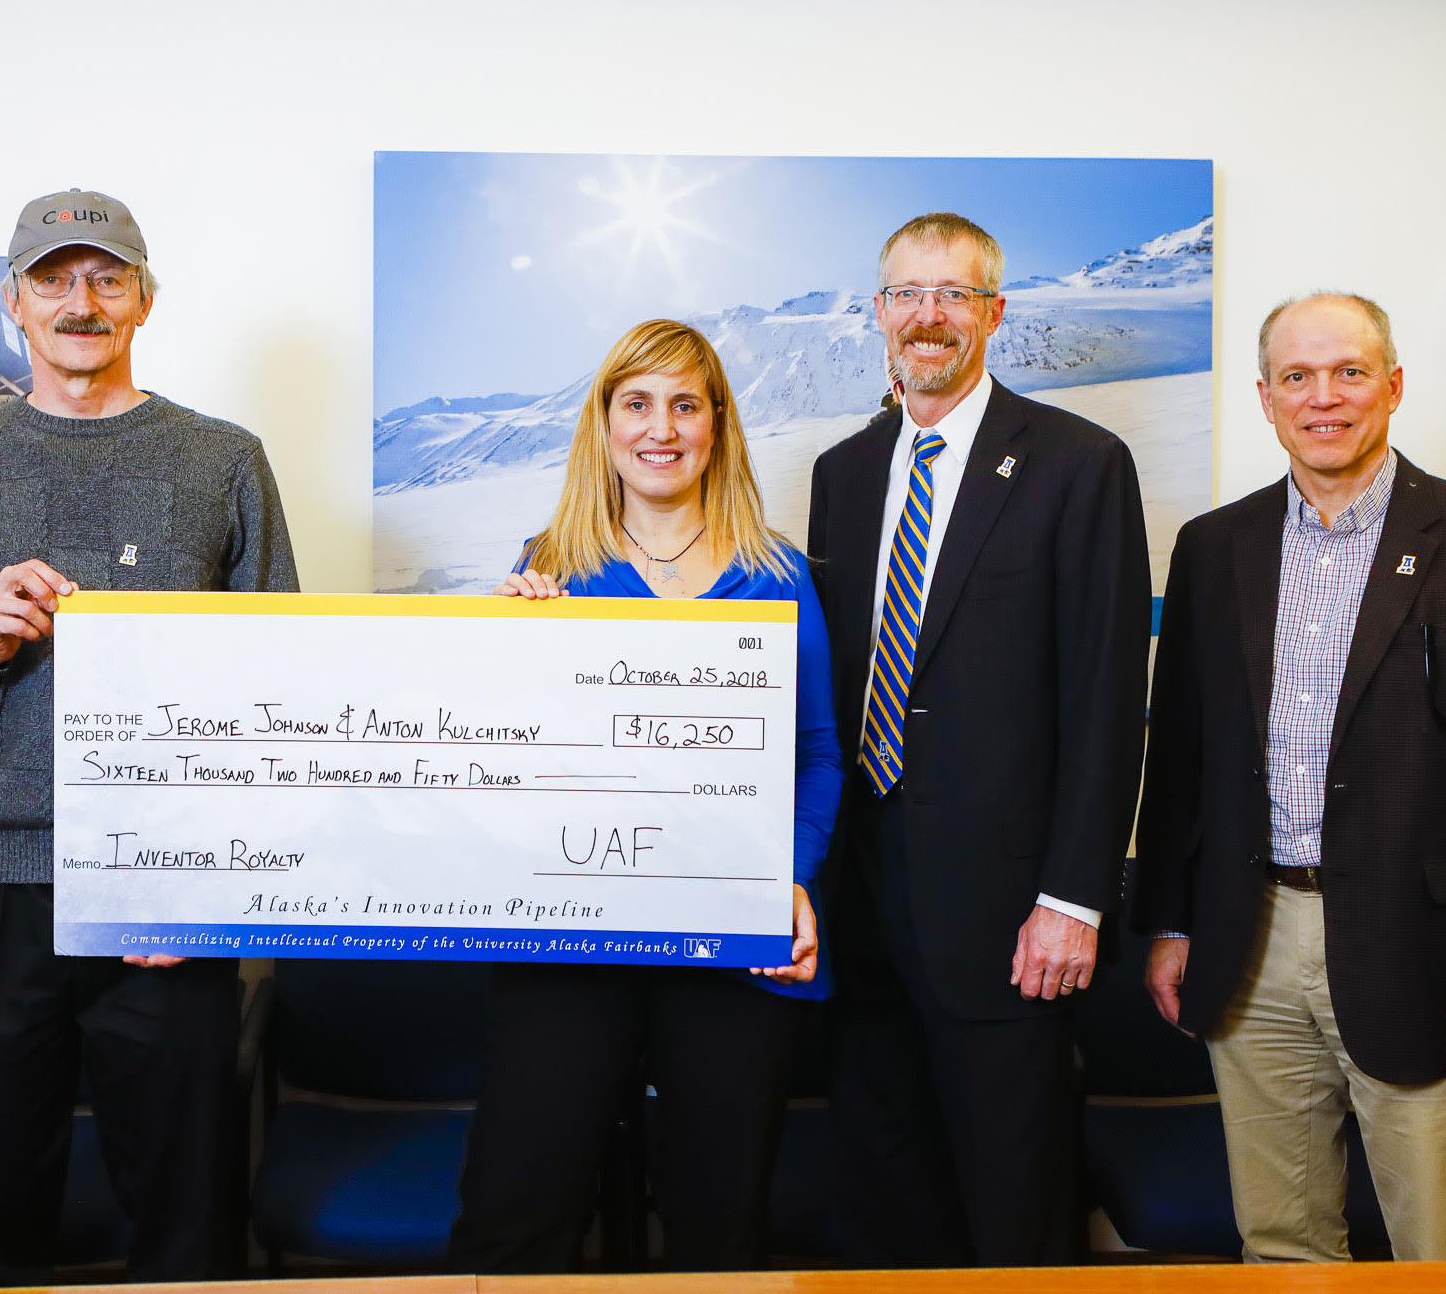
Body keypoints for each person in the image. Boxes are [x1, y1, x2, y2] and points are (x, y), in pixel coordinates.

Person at [0, 187, 299, 1286]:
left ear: (145, 299)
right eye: (53, 278)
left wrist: (212, 883)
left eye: (106, 277)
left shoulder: (225, 457)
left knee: (190, 1212)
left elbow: (284, 689)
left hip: (169, 892)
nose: (81, 300)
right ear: (13, 301)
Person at [1133, 292, 1446, 1262]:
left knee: (1440, 1251)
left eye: (1348, 371)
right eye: (1297, 376)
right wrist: (1173, 921)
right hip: (1247, 942)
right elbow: (1179, 758)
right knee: (1281, 1239)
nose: (1324, 397)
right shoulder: (1215, 549)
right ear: (1266, 397)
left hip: (1422, 953)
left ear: (1393, 385)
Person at [443, 318, 842, 1274]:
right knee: (517, 1213)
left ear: (716, 427)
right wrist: (497, 656)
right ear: (604, 424)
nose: (660, 428)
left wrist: (789, 878)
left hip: (729, 934)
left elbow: (820, 752)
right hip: (569, 936)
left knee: (721, 1222)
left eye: (684, 404)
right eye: (637, 403)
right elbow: (497, 756)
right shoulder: (550, 564)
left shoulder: (778, 572)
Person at [809, 212, 1151, 1267]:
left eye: (955, 295)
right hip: (865, 907)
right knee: (883, 1193)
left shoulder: (1077, 464)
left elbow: (1105, 695)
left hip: (1013, 920)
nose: (930, 317)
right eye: (909, 294)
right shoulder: (844, 473)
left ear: (994, 314)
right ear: (878, 315)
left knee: (1013, 1201)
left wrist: (1073, 898)